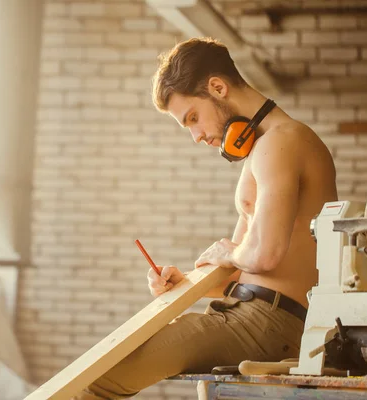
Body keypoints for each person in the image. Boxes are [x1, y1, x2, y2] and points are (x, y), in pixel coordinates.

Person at [74, 37, 338, 399]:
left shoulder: (282, 142)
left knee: (101, 376)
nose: (197, 136)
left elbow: (264, 255)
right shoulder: (265, 149)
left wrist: (229, 252)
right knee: (104, 366)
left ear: (218, 87)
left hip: (269, 323)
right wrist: (184, 284)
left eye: (193, 119)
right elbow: (246, 270)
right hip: (251, 312)